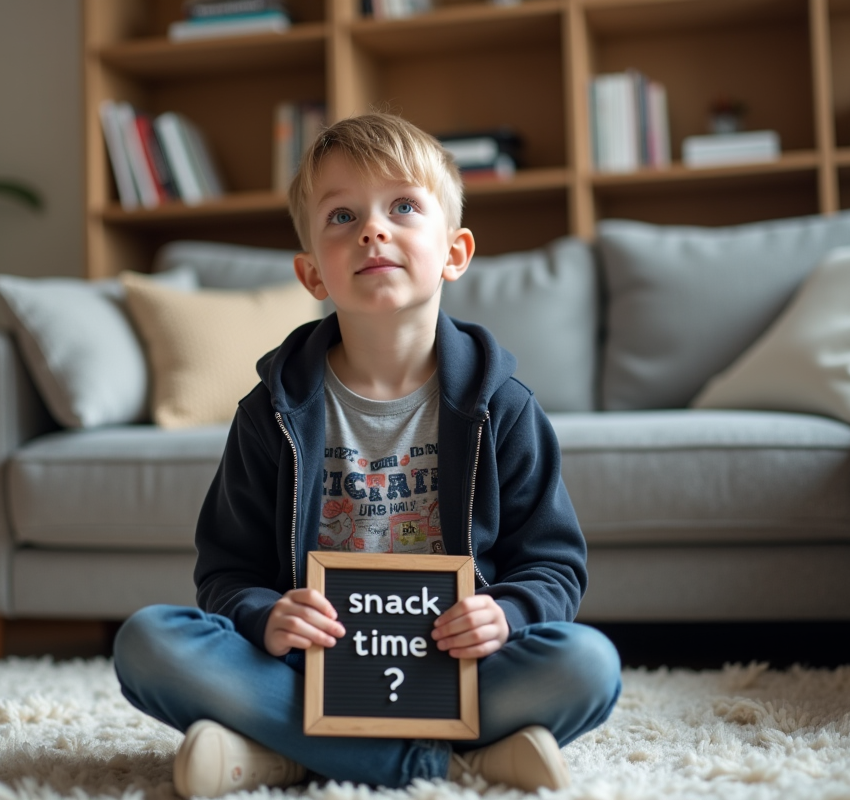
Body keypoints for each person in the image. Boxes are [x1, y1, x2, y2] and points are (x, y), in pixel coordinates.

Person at [113, 112, 621, 798]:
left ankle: (280, 756)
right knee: (148, 641)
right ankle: (445, 762)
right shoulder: (270, 413)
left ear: (455, 251)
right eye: (342, 216)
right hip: (306, 672)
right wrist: (267, 618)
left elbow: (554, 566)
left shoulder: (503, 406)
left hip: (457, 671)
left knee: (587, 664)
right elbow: (226, 573)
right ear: (311, 272)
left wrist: (509, 615)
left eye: (403, 207)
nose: (372, 230)